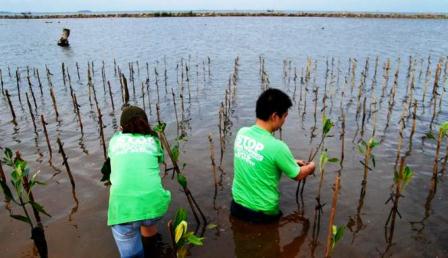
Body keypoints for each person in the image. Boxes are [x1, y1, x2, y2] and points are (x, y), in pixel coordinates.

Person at [231, 88, 316, 223]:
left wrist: (290, 161)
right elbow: (298, 175)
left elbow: (259, 155)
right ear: (275, 116)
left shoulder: (242, 133)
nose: (284, 121)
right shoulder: (278, 147)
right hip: (263, 214)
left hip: (236, 207)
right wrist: (312, 166)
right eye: (284, 116)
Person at [107, 106, 171, 258]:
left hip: (124, 214)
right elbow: (159, 161)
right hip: (155, 208)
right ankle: (152, 245)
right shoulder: (154, 140)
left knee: (132, 254)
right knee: (145, 216)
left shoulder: (115, 141)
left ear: (121, 127)